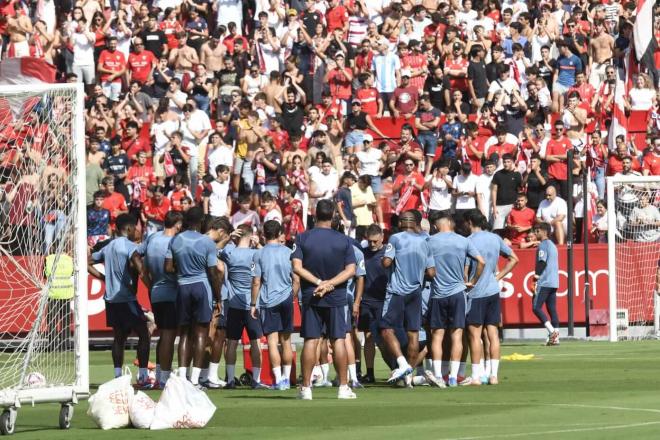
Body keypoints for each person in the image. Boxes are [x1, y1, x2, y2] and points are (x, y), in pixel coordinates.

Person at [292, 199, 357, 400]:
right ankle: (343, 387)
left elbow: (297, 267)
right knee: (337, 339)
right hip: (336, 295)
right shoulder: (344, 240)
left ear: (314, 214)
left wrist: (320, 282)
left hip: (312, 293)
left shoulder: (302, 238)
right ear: (333, 216)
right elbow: (351, 270)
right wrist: (329, 283)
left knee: (311, 339)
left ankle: (306, 388)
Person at [88, 214, 152, 388]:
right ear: (129, 229)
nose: (137, 231)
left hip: (111, 299)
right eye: (136, 228)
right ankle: (143, 375)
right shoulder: (131, 247)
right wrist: (151, 287)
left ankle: (117, 376)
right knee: (144, 334)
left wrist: (104, 277)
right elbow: (140, 269)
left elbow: (87, 261)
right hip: (126, 298)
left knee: (119, 337)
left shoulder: (108, 247)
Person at [164, 207, 225, 387]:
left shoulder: (175, 240)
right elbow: (213, 272)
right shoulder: (207, 243)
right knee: (200, 333)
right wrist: (218, 297)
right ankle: (195, 379)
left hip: (182, 287)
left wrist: (182, 270)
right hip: (201, 287)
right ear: (200, 222)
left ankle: (183, 377)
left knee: (183, 333)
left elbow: (167, 268)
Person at [425, 213, 484, 388]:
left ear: (437, 226)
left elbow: (425, 267)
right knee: (457, 335)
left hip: (437, 294)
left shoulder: (430, 241)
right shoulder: (463, 241)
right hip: (458, 293)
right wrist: (472, 282)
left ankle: (437, 375)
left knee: (437, 336)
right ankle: (452, 377)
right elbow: (481, 261)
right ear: (451, 224)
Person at [380, 210, 435, 385]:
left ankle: (403, 364)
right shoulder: (425, 242)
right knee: (414, 334)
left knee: (385, 329)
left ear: (402, 222)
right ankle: (409, 379)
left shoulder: (396, 238)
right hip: (416, 292)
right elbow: (432, 272)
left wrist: (389, 259)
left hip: (398, 291)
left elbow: (386, 262)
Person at [464, 211, 518, 385]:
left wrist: (468, 282)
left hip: (476, 291)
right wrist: (498, 277)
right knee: (493, 334)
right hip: (493, 290)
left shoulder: (469, 241)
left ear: (470, 222)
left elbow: (465, 269)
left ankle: (476, 376)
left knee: (475, 335)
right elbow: (514, 259)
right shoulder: (495, 238)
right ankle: (493, 375)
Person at [250, 220, 299, 390]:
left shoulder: (259, 254)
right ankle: (285, 378)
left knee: (272, 341)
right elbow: (297, 279)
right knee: (286, 340)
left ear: (264, 234)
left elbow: (256, 281)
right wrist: (291, 295)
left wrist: (253, 304)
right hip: (285, 299)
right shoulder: (288, 252)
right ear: (279, 234)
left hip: (268, 300)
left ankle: (279, 380)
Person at [139, 210, 183, 388]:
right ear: (178, 225)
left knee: (163, 333)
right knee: (168, 336)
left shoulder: (152, 238)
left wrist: (149, 283)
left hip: (156, 290)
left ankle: (159, 374)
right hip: (171, 291)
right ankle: (164, 378)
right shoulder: (175, 241)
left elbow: (135, 256)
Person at [221, 224, 267, 389]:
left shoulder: (230, 252)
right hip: (251, 305)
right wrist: (260, 244)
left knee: (232, 342)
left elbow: (214, 248)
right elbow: (269, 255)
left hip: (233, 304)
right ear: (251, 235)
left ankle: (231, 380)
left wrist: (228, 237)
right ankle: (256, 380)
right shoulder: (256, 254)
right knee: (255, 342)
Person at [358, 224, 388, 384]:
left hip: (384, 300)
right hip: (367, 301)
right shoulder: (363, 254)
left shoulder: (388, 255)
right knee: (368, 336)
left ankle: (395, 367)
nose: (372, 244)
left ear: (382, 237)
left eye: (375, 241)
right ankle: (370, 373)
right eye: (370, 241)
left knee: (385, 337)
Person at [531, 222, 560, 346]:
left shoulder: (543, 245)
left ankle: (552, 331)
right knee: (551, 309)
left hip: (545, 281)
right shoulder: (553, 245)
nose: (535, 233)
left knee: (536, 307)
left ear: (544, 232)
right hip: (554, 281)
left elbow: (542, 262)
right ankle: (556, 337)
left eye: (537, 231)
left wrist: (536, 277)